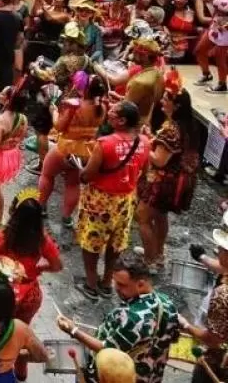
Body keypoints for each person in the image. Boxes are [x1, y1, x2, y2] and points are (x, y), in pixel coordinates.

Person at [57, 250, 179, 383]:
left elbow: (106, 350)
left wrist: (73, 331)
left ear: (141, 284)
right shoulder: (167, 302)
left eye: (121, 285)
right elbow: (173, 337)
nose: (116, 288)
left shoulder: (132, 318)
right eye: (115, 282)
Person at [0, 192, 62, 381]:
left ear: (14, 214)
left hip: (1, 293)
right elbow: (57, 265)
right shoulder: (42, 241)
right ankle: (20, 367)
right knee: (21, 331)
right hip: (29, 295)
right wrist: (38, 268)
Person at [77, 101, 151, 300]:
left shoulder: (105, 144)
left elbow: (89, 174)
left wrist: (81, 173)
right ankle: (107, 283)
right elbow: (144, 172)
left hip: (100, 200)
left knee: (91, 242)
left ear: (122, 120)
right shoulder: (145, 142)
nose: (109, 113)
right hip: (126, 201)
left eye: (114, 113)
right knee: (115, 243)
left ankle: (91, 284)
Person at [137, 68, 198, 269]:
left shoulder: (171, 129)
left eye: (166, 98)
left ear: (176, 105)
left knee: (143, 218)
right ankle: (158, 253)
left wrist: (145, 141)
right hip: (174, 180)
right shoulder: (181, 126)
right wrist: (153, 137)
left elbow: (159, 160)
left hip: (163, 181)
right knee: (160, 217)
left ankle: (150, 259)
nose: (162, 100)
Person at [38, 72, 107, 228]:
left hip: (65, 148)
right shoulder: (102, 107)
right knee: (72, 183)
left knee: (47, 174)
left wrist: (53, 111)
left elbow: (59, 126)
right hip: (85, 152)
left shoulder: (74, 105)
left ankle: (40, 207)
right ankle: (67, 217)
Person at [182, 225, 228, 383]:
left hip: (218, 363)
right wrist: (202, 257)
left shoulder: (223, 295)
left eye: (221, 248)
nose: (217, 250)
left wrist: (185, 326)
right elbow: (224, 267)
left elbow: (212, 339)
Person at [0, 86, 29, 234]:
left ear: (8, 100)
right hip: (11, 155)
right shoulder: (22, 118)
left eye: (2, 93)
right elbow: (21, 138)